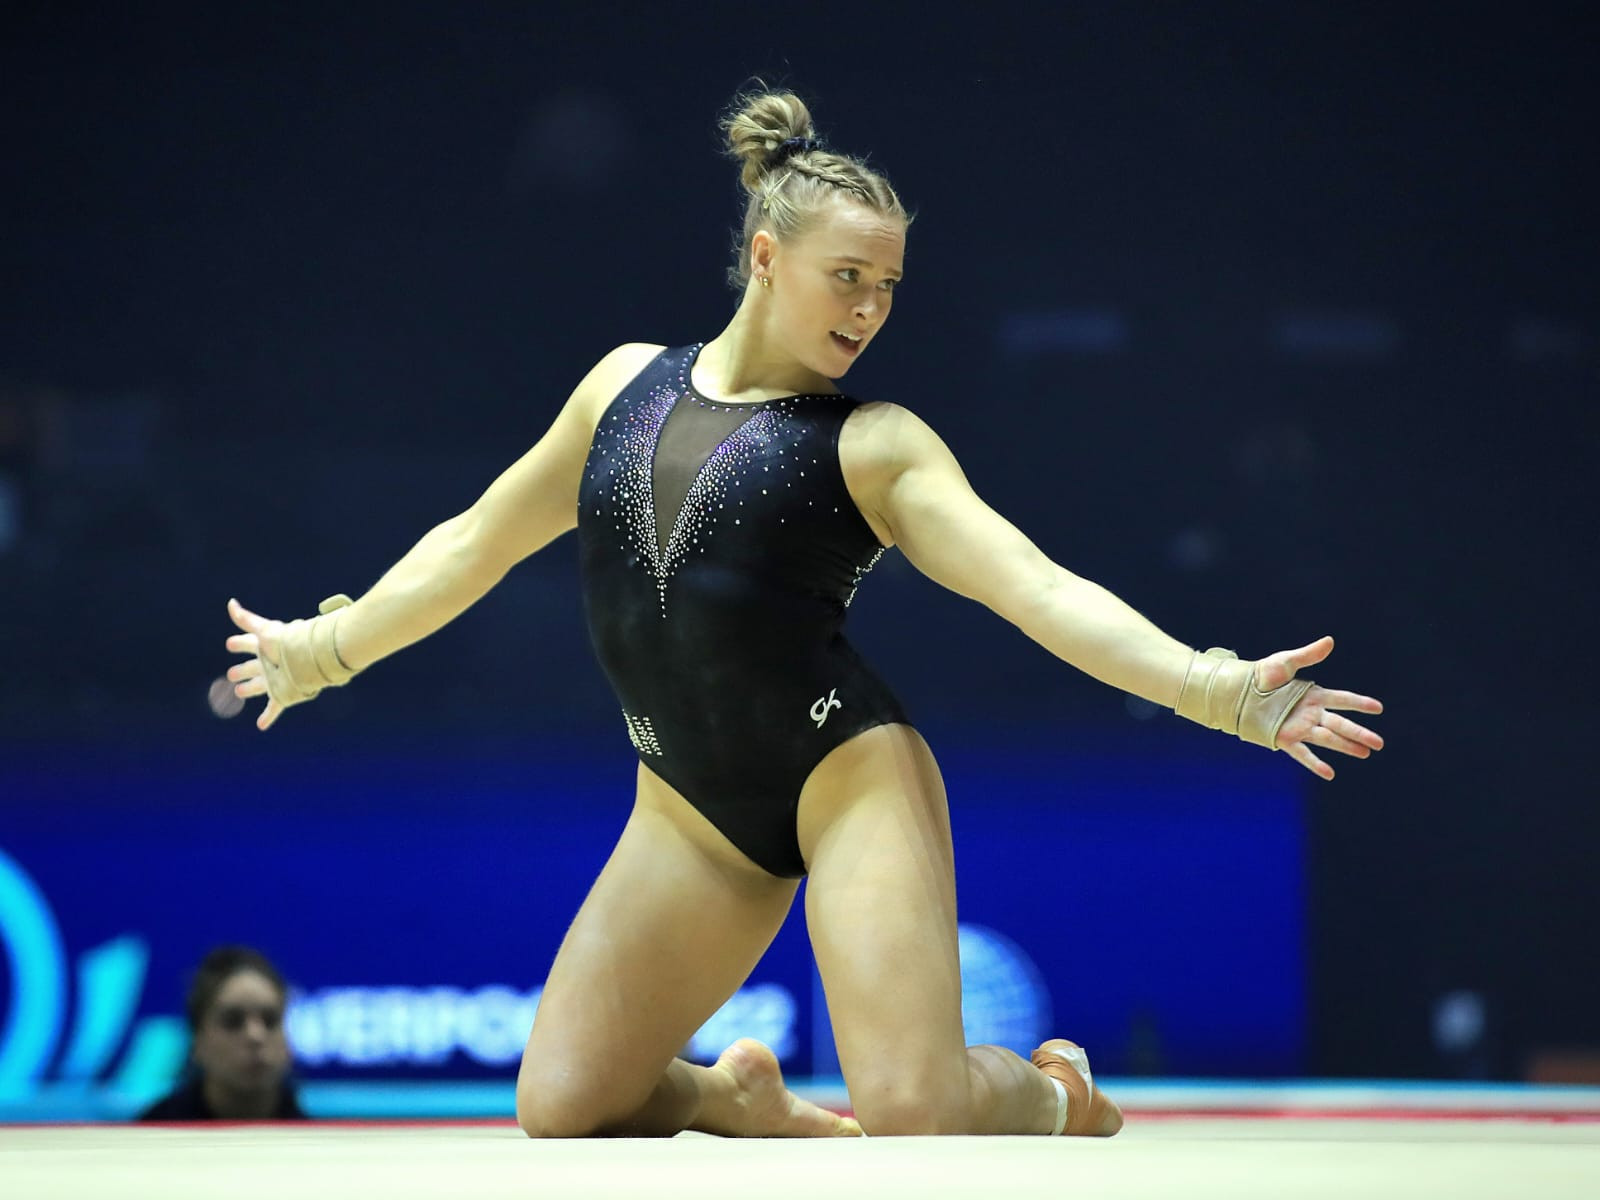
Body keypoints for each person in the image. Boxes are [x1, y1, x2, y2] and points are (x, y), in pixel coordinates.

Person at [222, 89, 1383, 1139]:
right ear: (766, 258)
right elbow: (474, 542)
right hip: (687, 805)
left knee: (910, 1110)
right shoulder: (619, 388)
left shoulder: (876, 446)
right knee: (564, 1103)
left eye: (888, 287)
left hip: (844, 778)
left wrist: (1218, 689)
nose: (871, 309)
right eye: (847, 278)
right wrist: (323, 649)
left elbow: (1038, 590)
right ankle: (729, 1097)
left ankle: (1052, 1091)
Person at [138, 945, 307, 1121]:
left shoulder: (314, 1141)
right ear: (197, 1040)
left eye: (270, 1020)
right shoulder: (150, 1134)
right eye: (233, 1021)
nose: (255, 1036)